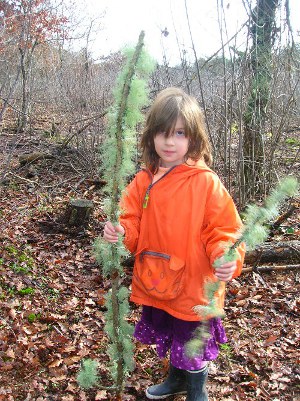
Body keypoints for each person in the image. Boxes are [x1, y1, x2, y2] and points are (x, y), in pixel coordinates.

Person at [103, 87, 245, 400]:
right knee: (171, 332)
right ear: (151, 136)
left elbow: (223, 228)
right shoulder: (144, 179)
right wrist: (121, 232)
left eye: (180, 133)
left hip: (195, 282)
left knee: (191, 339)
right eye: (163, 133)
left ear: (193, 137)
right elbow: (131, 221)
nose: (170, 142)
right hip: (158, 276)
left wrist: (225, 256)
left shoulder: (205, 182)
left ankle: (197, 390)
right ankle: (176, 380)